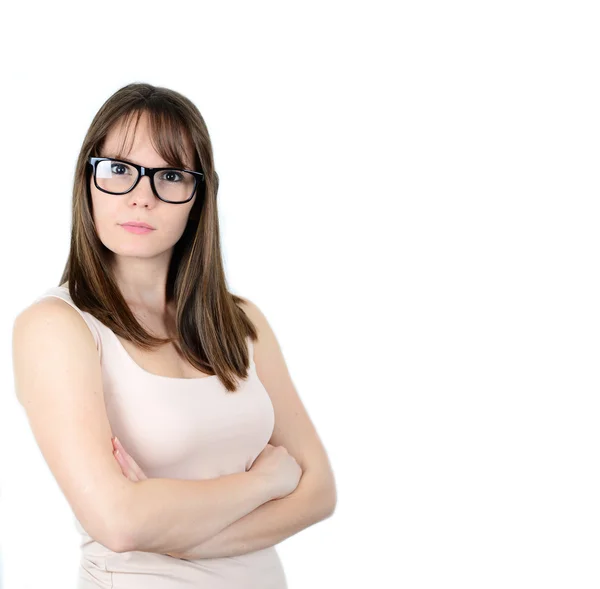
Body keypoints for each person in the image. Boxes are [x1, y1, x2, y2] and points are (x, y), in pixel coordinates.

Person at [12, 82, 337, 588]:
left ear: (197, 195)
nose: (142, 197)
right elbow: (119, 522)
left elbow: (320, 492)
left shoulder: (241, 321)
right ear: (87, 181)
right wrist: (263, 483)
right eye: (119, 170)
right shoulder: (57, 327)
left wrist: (174, 534)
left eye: (170, 176)